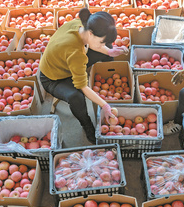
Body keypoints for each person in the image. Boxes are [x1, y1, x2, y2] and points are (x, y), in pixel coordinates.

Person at [39, 8, 129, 143]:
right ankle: (86, 124)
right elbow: (82, 86)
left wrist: (109, 51)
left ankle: (97, 74)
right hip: (52, 78)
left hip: (66, 63)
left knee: (107, 47)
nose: (102, 45)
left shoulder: (83, 24)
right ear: (91, 34)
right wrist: (105, 105)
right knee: (76, 97)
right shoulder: (76, 53)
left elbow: (94, 43)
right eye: (101, 42)